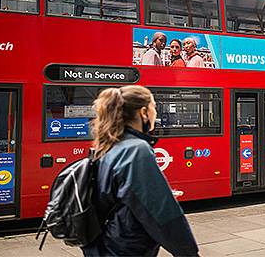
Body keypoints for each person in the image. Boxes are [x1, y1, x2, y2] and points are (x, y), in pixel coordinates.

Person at [82, 85, 199, 257]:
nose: (156, 113)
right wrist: (189, 253)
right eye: (154, 107)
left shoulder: (109, 145)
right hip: (126, 249)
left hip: (106, 245)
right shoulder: (136, 150)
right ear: (143, 113)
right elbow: (163, 215)